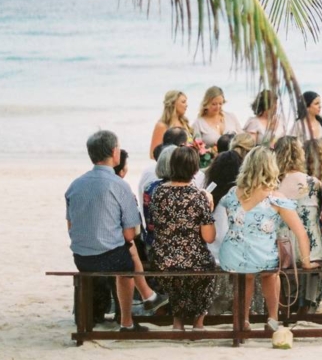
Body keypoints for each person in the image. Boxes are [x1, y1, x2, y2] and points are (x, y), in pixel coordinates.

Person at [217, 146, 315, 333]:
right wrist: (307, 261)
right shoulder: (275, 198)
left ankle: (243, 319)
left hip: (232, 256)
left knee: (245, 276)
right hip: (263, 257)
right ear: (272, 168)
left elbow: (235, 225)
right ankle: (273, 317)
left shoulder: (232, 193)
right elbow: (300, 232)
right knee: (270, 273)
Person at [65, 131, 145, 331]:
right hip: (109, 257)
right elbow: (129, 234)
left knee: (119, 255)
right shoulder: (120, 185)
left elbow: (71, 227)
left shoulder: (75, 185)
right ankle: (126, 322)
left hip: (81, 256)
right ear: (114, 152)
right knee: (127, 266)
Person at [149, 145, 219, 329]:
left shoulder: (158, 193)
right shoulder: (198, 196)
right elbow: (209, 237)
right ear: (195, 170)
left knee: (179, 277)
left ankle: (178, 321)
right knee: (206, 269)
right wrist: (208, 209)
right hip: (194, 260)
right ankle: (198, 322)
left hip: (163, 259)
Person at [111, 150, 168, 317]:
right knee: (131, 248)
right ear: (122, 171)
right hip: (118, 245)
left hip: (90, 249)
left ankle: (147, 295)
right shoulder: (124, 191)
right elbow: (132, 230)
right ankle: (147, 295)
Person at [275, 137, 322, 309]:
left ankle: (285, 306)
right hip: (311, 248)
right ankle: (308, 308)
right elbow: (321, 215)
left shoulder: (272, 184)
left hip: (281, 248)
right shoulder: (313, 183)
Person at [149, 90, 192, 159]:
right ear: (173, 103)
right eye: (183, 102)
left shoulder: (184, 123)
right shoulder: (162, 126)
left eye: (186, 102)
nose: (186, 105)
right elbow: (153, 154)